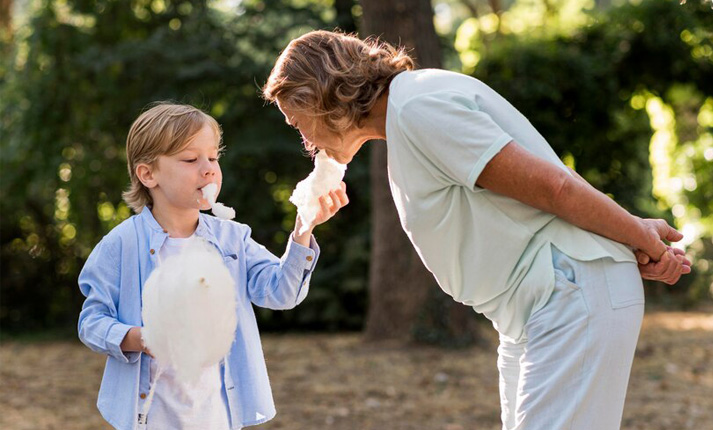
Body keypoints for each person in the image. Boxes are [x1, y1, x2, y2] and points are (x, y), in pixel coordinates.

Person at [262, 30, 692, 430]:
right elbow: (551, 182)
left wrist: (639, 238)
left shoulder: (418, 109)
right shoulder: (408, 113)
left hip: (567, 293)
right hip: (534, 309)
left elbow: (554, 188)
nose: (301, 136)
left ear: (322, 95)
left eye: (295, 119)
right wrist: (633, 232)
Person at [77, 102, 349, 430]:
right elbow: (91, 322)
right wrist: (142, 338)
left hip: (217, 415)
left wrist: (303, 228)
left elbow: (282, 293)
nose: (208, 169)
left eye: (213, 158)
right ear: (148, 174)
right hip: (150, 416)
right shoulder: (120, 245)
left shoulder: (233, 240)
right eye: (191, 160)